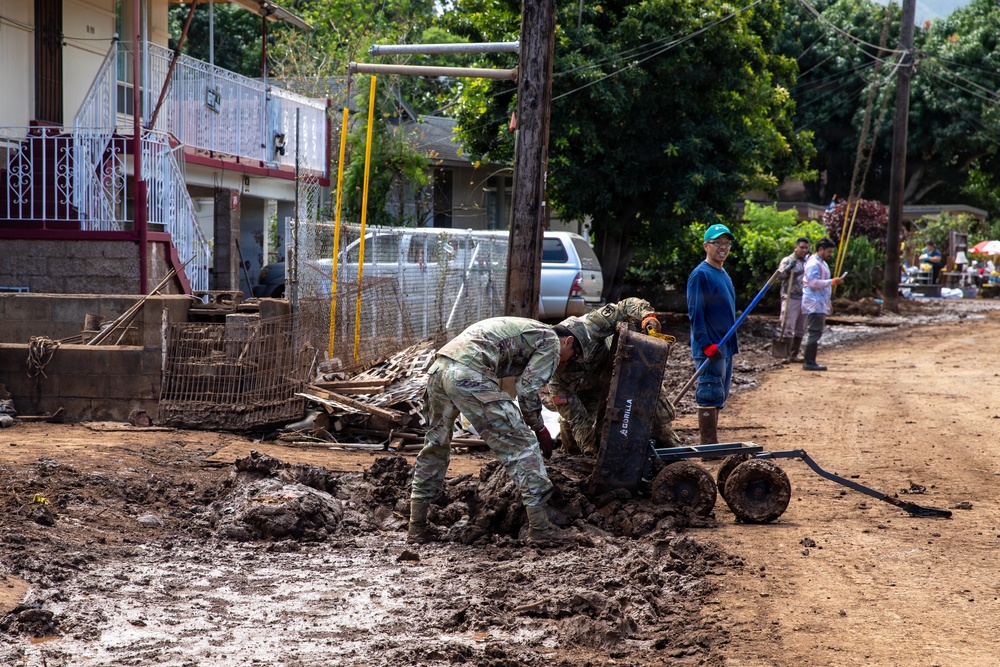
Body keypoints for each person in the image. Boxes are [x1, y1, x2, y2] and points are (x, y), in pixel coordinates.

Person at [408, 317, 580, 546]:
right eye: (573, 357)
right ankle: (540, 528)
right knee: (522, 446)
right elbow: (527, 389)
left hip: (440, 368)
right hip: (468, 373)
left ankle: (417, 526)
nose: (565, 364)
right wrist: (539, 427)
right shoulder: (550, 340)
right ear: (567, 342)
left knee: (435, 445)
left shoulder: (527, 328)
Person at [549, 298, 680, 457]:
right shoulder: (554, 377)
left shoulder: (592, 325)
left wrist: (647, 316)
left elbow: (625, 306)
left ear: (568, 342)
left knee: (656, 421)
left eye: (558, 359)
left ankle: (677, 460)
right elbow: (577, 419)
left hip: (624, 372)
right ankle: (577, 469)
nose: (558, 365)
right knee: (568, 430)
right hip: (587, 391)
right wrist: (591, 452)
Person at [687, 223, 738, 445]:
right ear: (706, 246)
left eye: (726, 243)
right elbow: (695, 313)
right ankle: (708, 444)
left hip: (725, 346)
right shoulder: (700, 275)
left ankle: (712, 442)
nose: (723, 247)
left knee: (719, 395)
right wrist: (706, 343)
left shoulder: (723, 273)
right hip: (710, 348)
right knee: (708, 392)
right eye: (717, 243)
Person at [801, 237, 847, 371]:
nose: (830, 255)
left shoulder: (822, 263)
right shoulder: (813, 264)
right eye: (829, 252)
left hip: (820, 302)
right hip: (814, 302)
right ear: (820, 249)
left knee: (816, 331)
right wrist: (833, 282)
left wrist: (829, 302)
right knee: (814, 331)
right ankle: (809, 362)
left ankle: (810, 360)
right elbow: (813, 283)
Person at [775, 237, 811, 363]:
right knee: (788, 325)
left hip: (804, 297)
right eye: (802, 247)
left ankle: (794, 354)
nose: (804, 250)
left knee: (801, 326)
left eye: (806, 248)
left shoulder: (807, 261)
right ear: (795, 247)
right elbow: (779, 276)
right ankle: (785, 355)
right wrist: (789, 268)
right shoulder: (788, 260)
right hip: (790, 297)